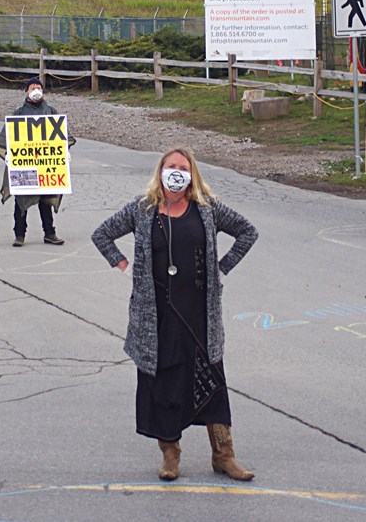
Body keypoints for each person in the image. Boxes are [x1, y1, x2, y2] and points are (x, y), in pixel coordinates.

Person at [91, 147, 258, 482]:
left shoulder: (207, 209)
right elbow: (102, 235)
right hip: (158, 316)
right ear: (161, 171)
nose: (177, 172)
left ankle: (224, 455)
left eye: (183, 167)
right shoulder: (142, 210)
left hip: (200, 313)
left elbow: (247, 232)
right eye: (171, 166)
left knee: (213, 383)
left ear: (192, 173)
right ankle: (170, 453)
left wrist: (221, 269)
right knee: (164, 384)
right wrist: (125, 268)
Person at [0, 77, 76, 247]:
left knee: (46, 200)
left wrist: (64, 150)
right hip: (25, 166)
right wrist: (8, 154)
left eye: (39, 87)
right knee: (21, 201)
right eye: (32, 87)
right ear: (26, 91)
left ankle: (50, 233)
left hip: (46, 167)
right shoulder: (18, 114)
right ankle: (19, 235)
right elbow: (6, 137)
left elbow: (62, 135)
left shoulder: (51, 111)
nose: (36, 90)